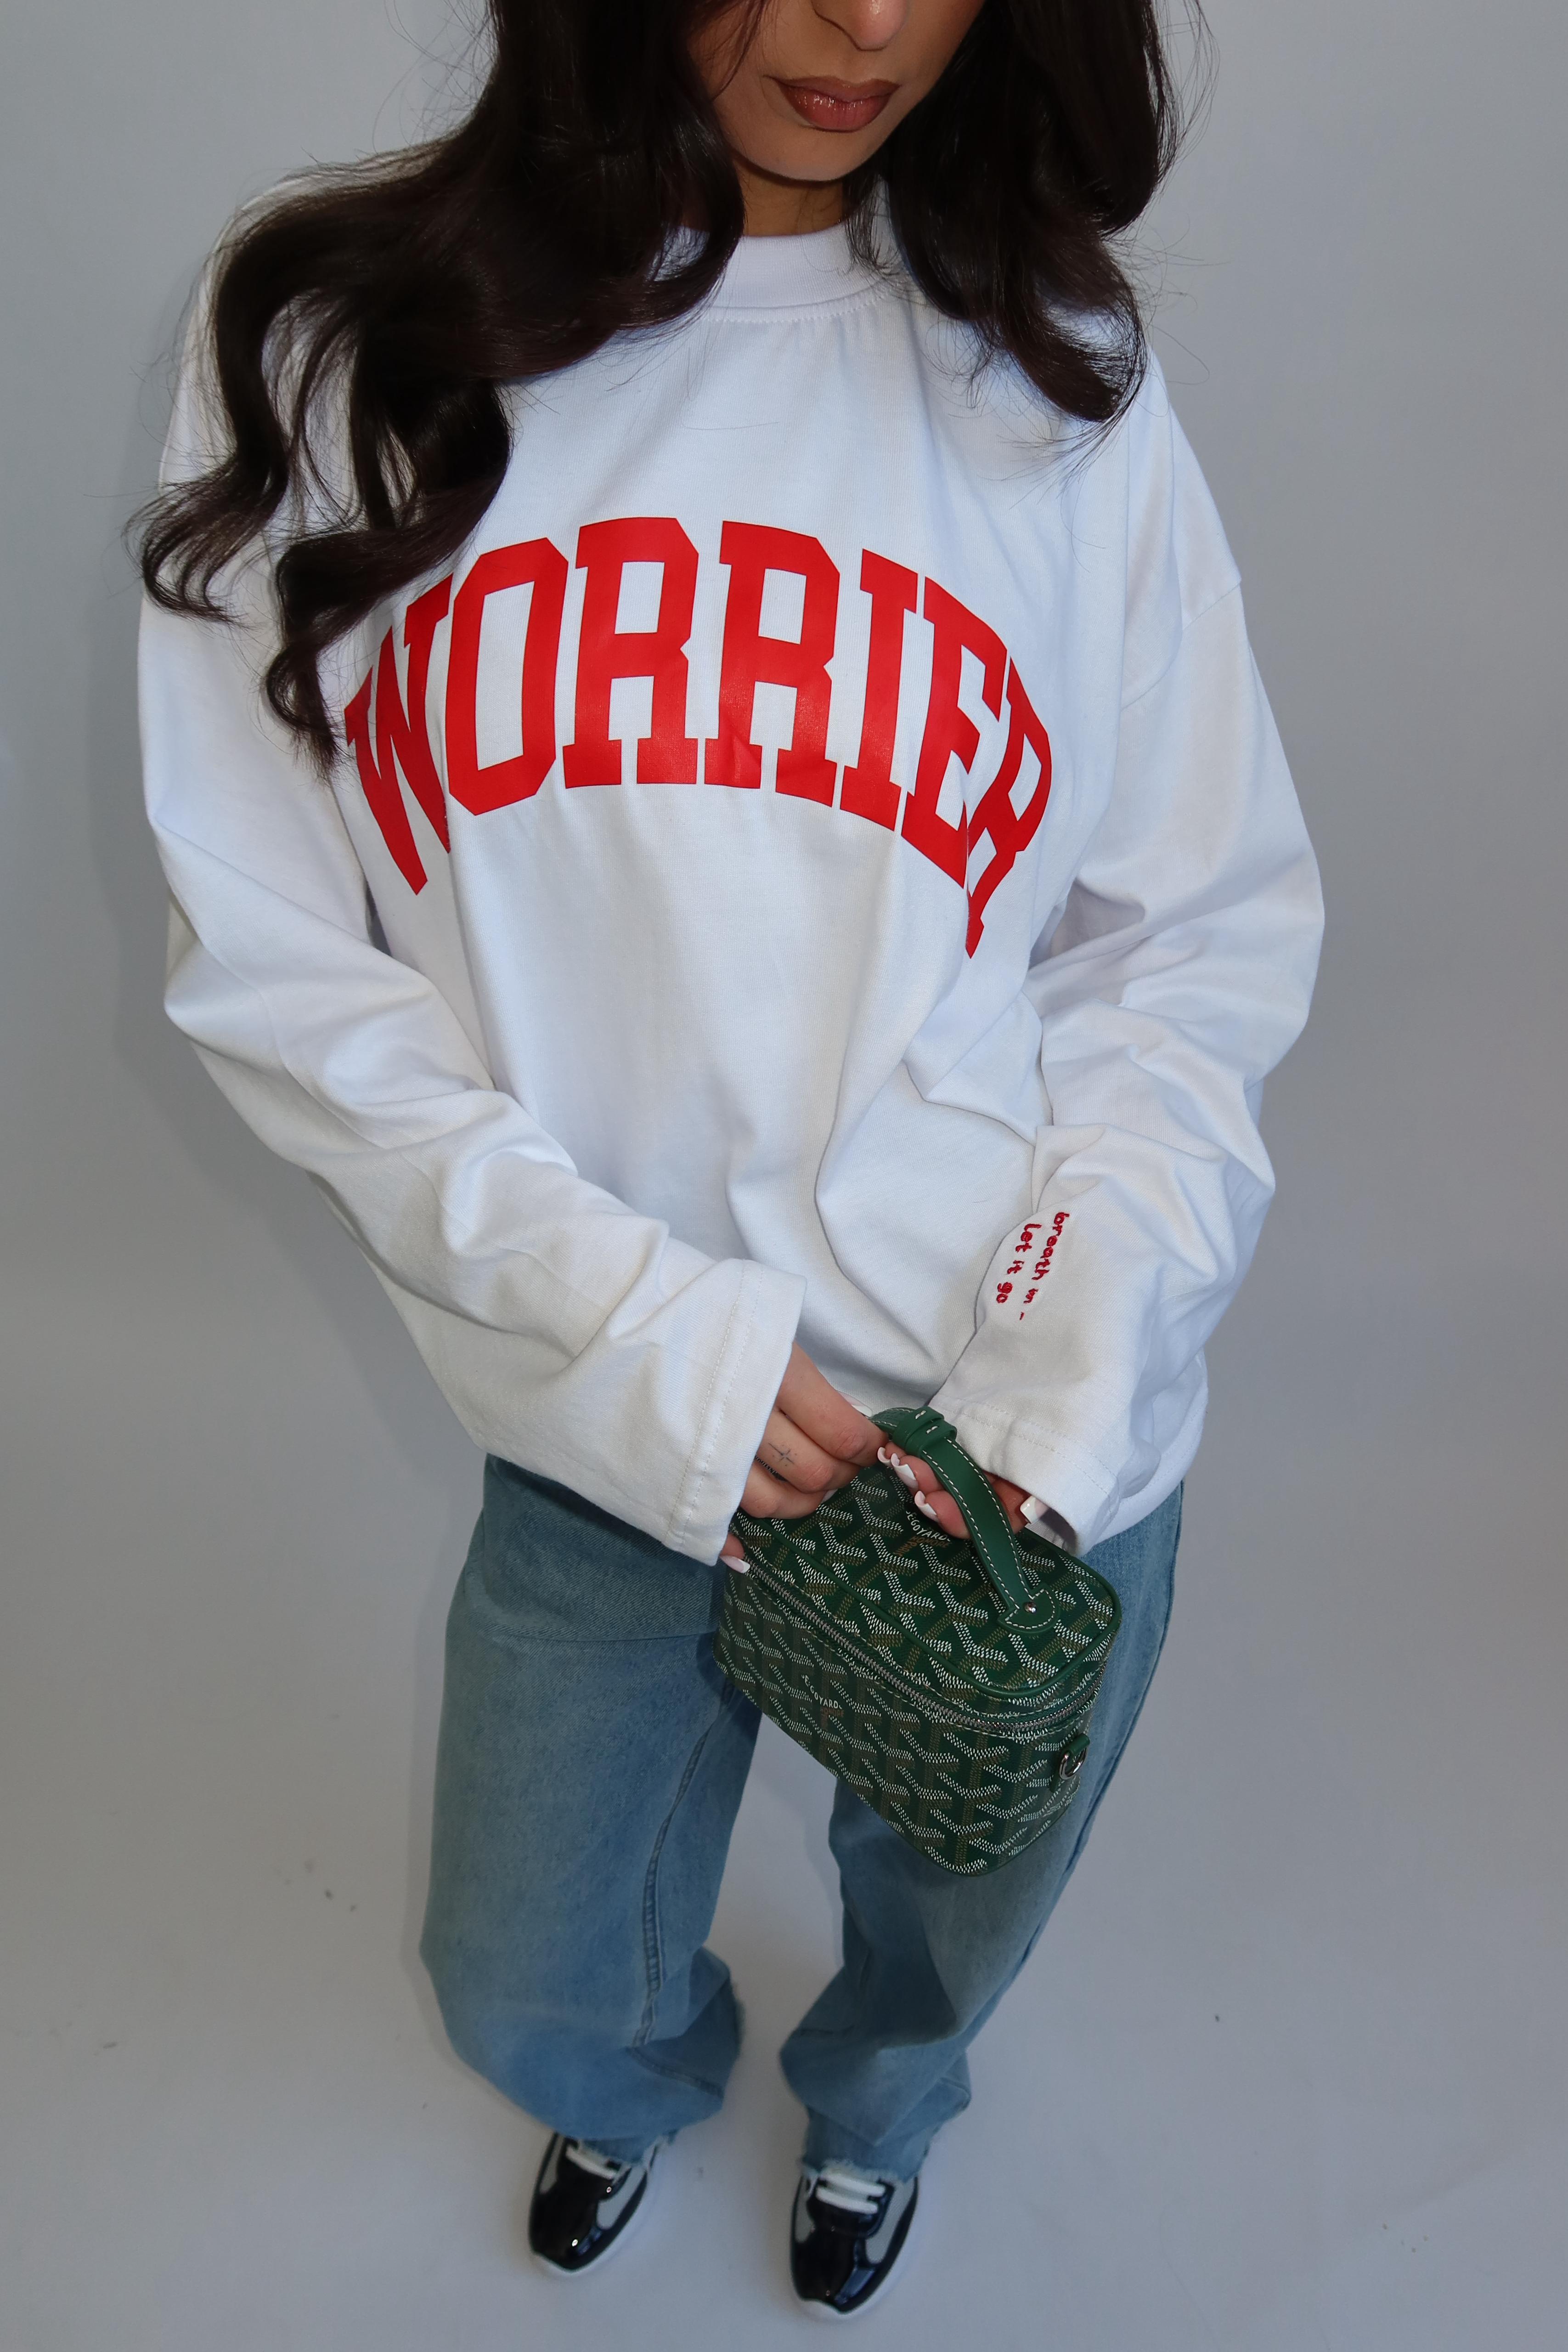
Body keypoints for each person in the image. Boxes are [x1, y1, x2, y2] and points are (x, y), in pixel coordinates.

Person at [136, 0, 1322, 2318]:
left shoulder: (1051, 374)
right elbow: (278, 963)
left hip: (1006, 1430)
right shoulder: (339, 351)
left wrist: (1060, 1382)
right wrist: (633, 1336)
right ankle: (622, 2074)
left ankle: (876, 2116)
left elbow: (1179, 936)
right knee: (526, 1949)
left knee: (959, 1889)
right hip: (608, 1408)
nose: (861, 21)